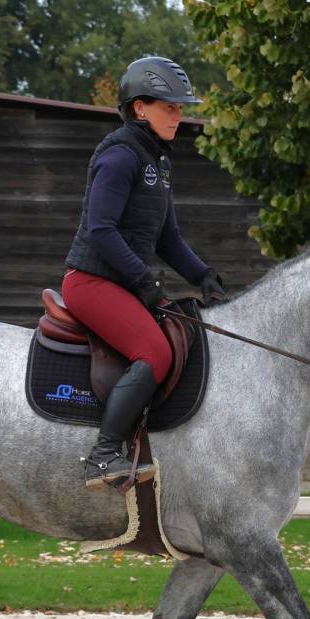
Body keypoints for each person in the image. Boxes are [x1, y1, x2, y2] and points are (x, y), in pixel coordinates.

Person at [62, 56, 226, 489]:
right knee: (156, 352)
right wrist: (143, 282)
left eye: (180, 107)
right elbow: (100, 230)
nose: (179, 115)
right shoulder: (119, 156)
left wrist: (203, 275)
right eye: (169, 107)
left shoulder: (159, 162)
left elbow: (168, 239)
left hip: (124, 283)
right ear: (139, 107)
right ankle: (102, 455)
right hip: (92, 282)